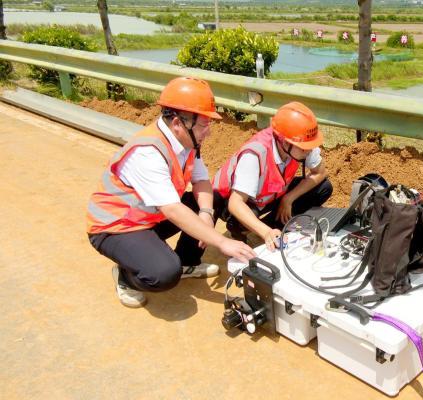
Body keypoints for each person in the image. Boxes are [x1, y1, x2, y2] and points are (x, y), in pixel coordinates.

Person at [86, 77, 256, 308]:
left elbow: (202, 181)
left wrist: (206, 213)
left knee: (213, 198)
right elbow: (173, 209)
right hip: (117, 227)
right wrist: (221, 242)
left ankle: (188, 260)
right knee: (164, 273)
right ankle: (126, 276)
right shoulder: (148, 153)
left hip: (149, 216)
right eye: (203, 125)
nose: (208, 132)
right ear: (178, 123)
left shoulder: (186, 142)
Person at [211, 102, 333, 251]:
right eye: (304, 148)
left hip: (272, 193)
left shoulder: (301, 144)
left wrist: (289, 199)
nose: (309, 151)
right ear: (284, 142)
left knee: (323, 187)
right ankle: (249, 229)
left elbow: (320, 172)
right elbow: (236, 204)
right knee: (241, 217)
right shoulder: (255, 154)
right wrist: (265, 232)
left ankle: (272, 227)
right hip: (239, 200)